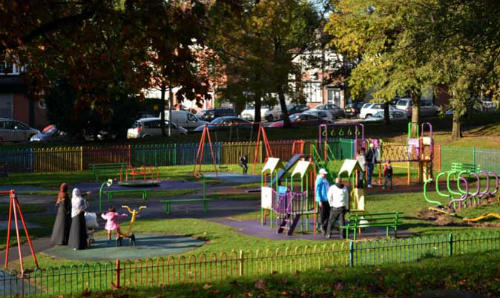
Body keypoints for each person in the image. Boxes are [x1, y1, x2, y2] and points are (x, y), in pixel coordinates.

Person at [315, 168, 330, 235]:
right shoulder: (319, 180)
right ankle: (322, 227)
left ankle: (325, 226)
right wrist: (319, 200)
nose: (325, 175)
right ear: (320, 173)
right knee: (323, 214)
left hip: (327, 199)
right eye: (324, 174)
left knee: (328, 214)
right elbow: (317, 191)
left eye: (325, 174)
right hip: (322, 200)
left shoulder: (325, 180)